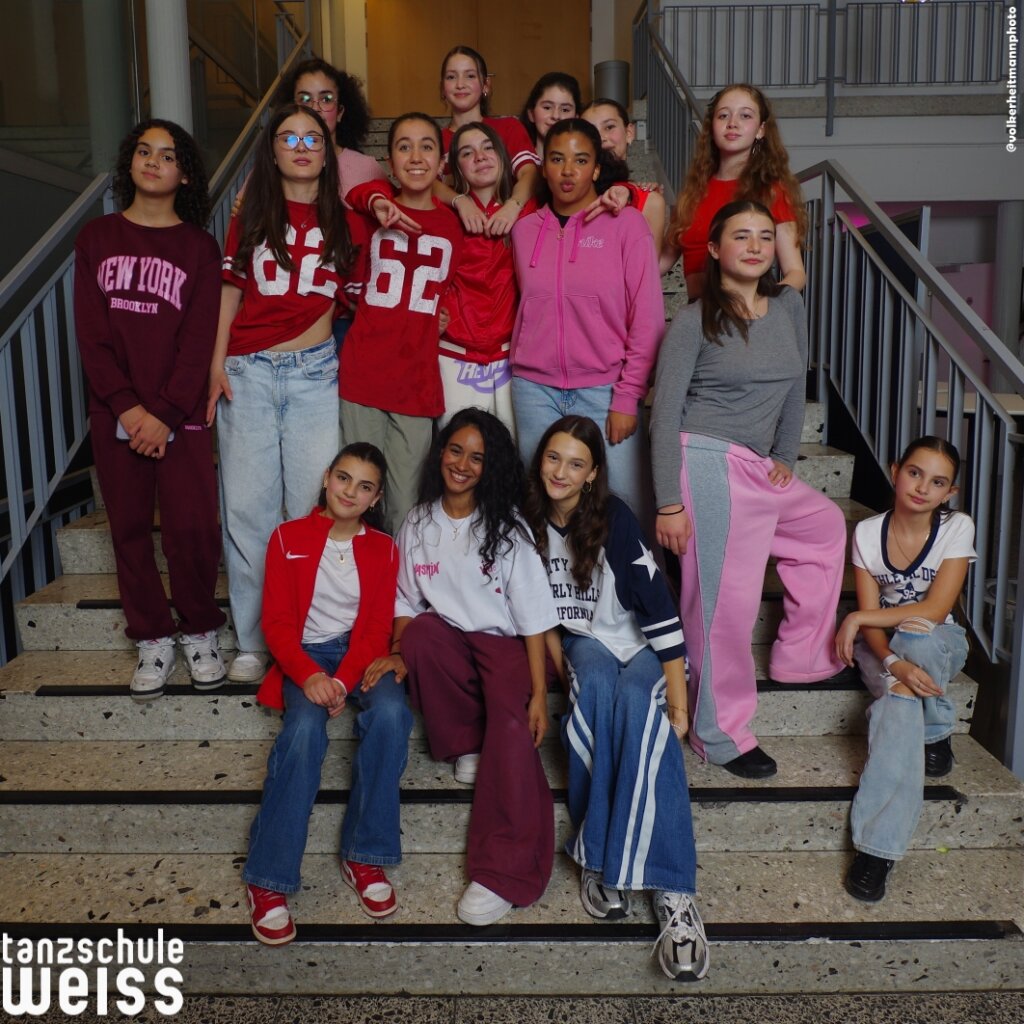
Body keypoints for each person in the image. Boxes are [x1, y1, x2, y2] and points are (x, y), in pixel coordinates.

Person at [650, 200, 847, 779]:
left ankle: (799, 655)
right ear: (715, 250)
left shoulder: (788, 307)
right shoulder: (693, 321)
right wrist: (668, 502)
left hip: (758, 465)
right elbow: (665, 415)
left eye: (765, 235)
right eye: (741, 235)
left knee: (824, 526)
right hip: (706, 460)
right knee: (722, 607)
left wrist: (784, 454)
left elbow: (794, 384)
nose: (756, 245)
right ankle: (717, 733)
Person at [524, 415, 710, 982]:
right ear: (540, 460)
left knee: (638, 708)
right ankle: (600, 858)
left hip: (647, 644)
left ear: (592, 473)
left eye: (576, 463)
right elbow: (536, 613)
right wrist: (561, 670)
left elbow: (660, 612)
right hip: (586, 643)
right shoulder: (524, 521)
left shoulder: (616, 518)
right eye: (553, 457)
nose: (561, 471)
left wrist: (679, 703)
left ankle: (674, 891)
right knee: (597, 691)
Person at [364, 409, 558, 927]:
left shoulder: (508, 527)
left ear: (490, 467)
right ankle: (468, 742)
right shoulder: (419, 522)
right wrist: (399, 651)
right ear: (441, 452)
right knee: (422, 635)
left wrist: (539, 696)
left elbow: (535, 619)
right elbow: (406, 601)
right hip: (451, 643)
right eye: (455, 450)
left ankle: (503, 872)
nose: (462, 464)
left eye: (477, 457)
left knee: (513, 728)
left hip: (507, 646)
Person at [74, 119, 225, 701]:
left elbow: (198, 339)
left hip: (180, 414)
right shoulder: (97, 238)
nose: (153, 161)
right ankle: (153, 636)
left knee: (192, 528)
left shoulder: (199, 247)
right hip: (115, 411)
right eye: (144, 151)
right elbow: (92, 336)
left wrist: (162, 412)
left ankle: (200, 629)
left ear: (184, 174)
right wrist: (127, 408)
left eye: (167, 155)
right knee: (130, 529)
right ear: (130, 163)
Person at [208, 104, 356, 684]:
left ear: (327, 150)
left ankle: (303, 635)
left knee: (309, 511)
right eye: (288, 138)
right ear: (271, 151)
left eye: (311, 138)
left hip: (315, 375)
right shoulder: (252, 214)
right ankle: (252, 641)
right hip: (247, 371)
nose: (300, 147)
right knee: (248, 511)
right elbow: (230, 291)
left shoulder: (346, 219)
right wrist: (215, 365)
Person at [244, 444, 413, 943]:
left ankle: (364, 854)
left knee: (391, 715)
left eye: (364, 486)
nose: (350, 492)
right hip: (305, 654)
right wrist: (309, 675)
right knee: (302, 729)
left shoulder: (384, 547)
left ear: (375, 498)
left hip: (361, 654)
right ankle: (267, 876)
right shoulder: (287, 537)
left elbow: (377, 625)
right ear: (326, 478)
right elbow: (276, 623)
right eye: (343, 478)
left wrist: (342, 680)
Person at [835, 437, 974, 902]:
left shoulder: (957, 527)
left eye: (937, 482)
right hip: (883, 648)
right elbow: (877, 633)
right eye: (914, 473)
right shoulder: (867, 533)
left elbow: (935, 609)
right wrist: (892, 662)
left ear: (949, 493)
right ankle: (878, 850)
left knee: (916, 633)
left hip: (939, 642)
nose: (921, 488)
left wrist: (857, 617)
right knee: (899, 697)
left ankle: (935, 728)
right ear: (896, 471)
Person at [510, 117, 664, 519]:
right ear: (544, 167)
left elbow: (648, 319)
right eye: (557, 159)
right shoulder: (524, 231)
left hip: (605, 390)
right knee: (541, 508)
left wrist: (628, 396)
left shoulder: (626, 224)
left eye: (580, 160)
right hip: (534, 391)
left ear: (596, 169)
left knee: (625, 508)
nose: (568, 170)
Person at [340, 113, 464, 533]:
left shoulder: (453, 226)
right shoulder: (368, 214)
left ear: (442, 162)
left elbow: (456, 287)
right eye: (404, 146)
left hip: (416, 382)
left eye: (427, 146)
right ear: (389, 162)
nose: (415, 156)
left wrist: (438, 315)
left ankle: (398, 580)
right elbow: (349, 285)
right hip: (364, 376)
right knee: (356, 500)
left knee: (406, 508)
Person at [660, 84, 806, 302]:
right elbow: (661, 262)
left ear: (760, 130)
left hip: (747, 312)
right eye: (723, 115)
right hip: (697, 311)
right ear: (712, 127)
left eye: (745, 115)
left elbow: (796, 273)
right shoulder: (692, 193)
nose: (732, 123)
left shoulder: (771, 190)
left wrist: (760, 308)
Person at [436, 121, 534, 434]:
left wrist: (514, 204)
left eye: (488, 147)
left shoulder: (529, 212)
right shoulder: (443, 214)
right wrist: (457, 199)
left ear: (503, 156)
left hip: (509, 356)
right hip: (455, 353)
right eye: (467, 152)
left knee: (513, 451)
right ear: (456, 168)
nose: (480, 156)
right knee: (456, 450)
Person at [437, 45, 539, 236]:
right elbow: (426, 185)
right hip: (457, 236)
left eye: (470, 76)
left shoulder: (508, 128)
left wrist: (513, 205)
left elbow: (530, 173)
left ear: (485, 84)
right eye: (451, 77)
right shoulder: (435, 140)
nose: (460, 84)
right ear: (443, 87)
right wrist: (460, 201)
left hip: (507, 235)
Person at [272, 57, 387, 206]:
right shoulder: (274, 164)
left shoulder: (367, 168)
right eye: (305, 99)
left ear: (340, 112)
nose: (315, 108)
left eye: (326, 99)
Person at [581, 98, 667, 243]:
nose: (601, 137)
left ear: (629, 133)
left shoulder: (650, 202)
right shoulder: (572, 192)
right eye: (590, 131)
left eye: (609, 127)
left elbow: (650, 257)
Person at [519, 71, 582, 160]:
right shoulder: (515, 161)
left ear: (576, 118)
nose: (556, 116)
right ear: (531, 114)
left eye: (565, 110)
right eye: (547, 107)